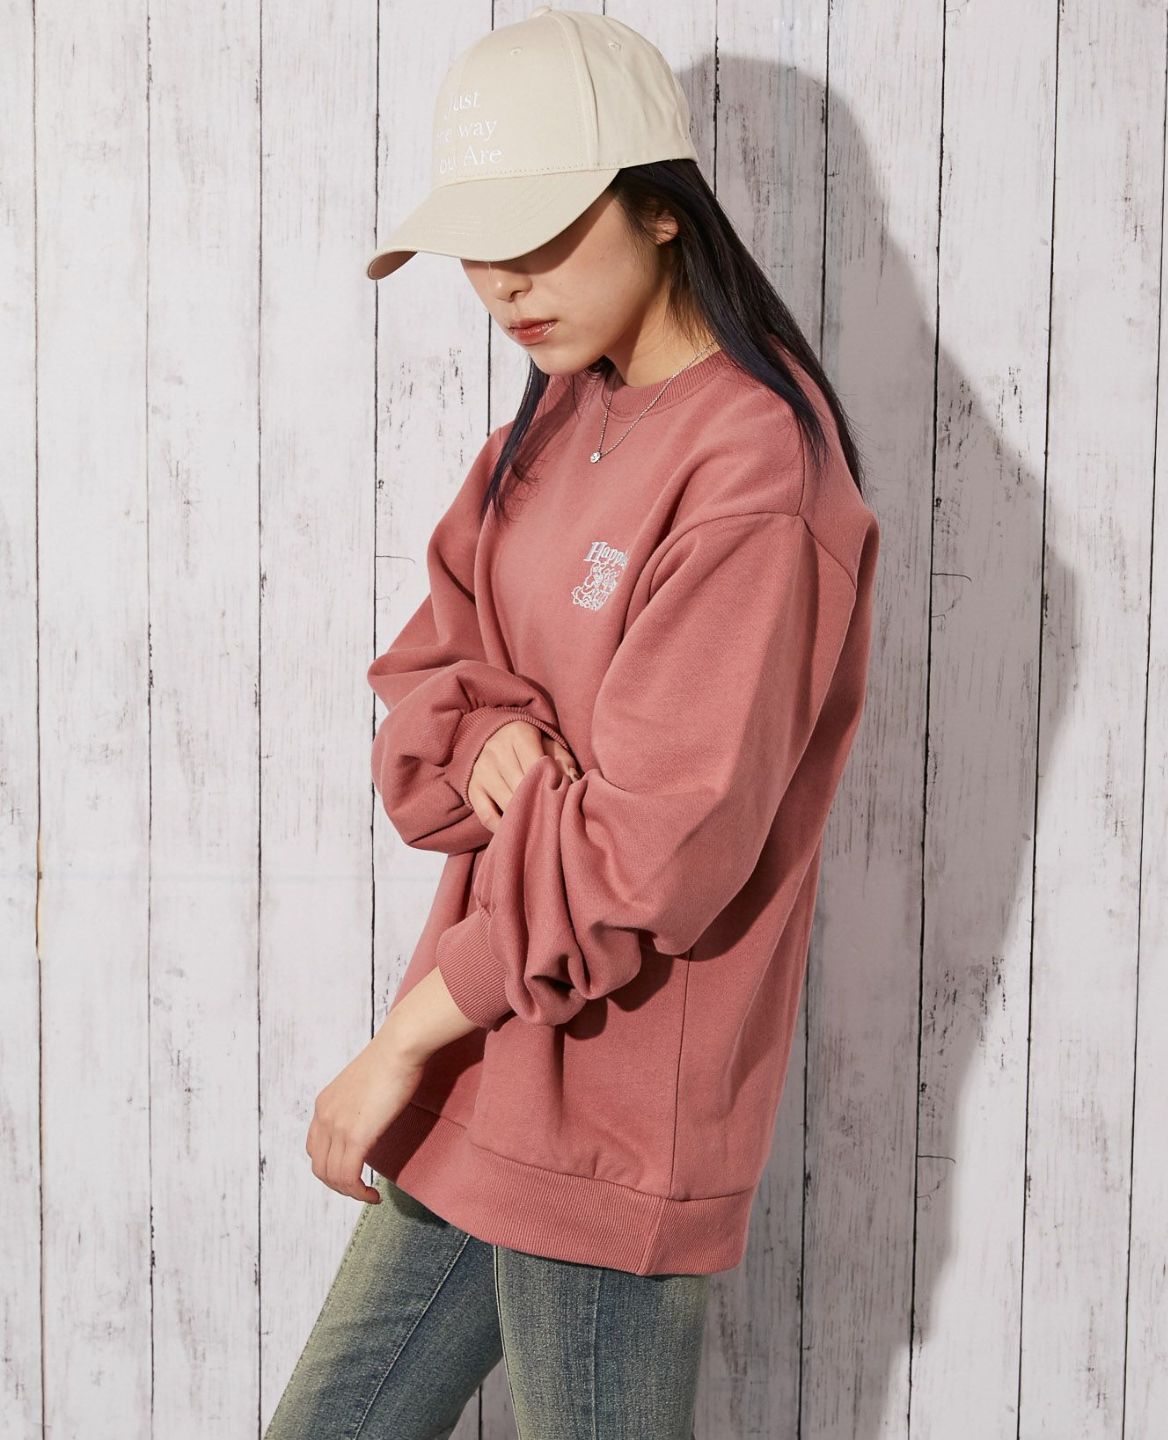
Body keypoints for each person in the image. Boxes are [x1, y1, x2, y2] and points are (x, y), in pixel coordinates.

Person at [265, 7, 881, 1439]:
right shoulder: (552, 420)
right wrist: (492, 733)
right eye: (476, 247)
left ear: (663, 209)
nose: (503, 283)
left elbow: (651, 860)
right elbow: (430, 672)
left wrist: (400, 1041)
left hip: (610, 1120)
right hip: (493, 1074)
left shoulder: (756, 474)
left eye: (539, 235)